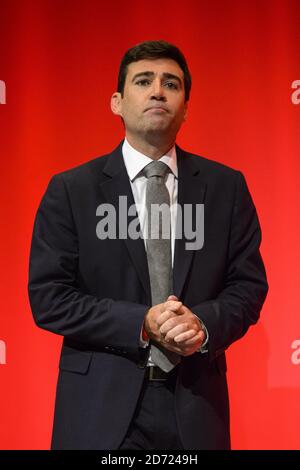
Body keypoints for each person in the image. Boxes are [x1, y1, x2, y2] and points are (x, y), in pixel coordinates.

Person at [28, 40, 268, 450]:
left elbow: (248, 287)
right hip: (98, 410)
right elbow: (49, 297)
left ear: (186, 107)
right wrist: (141, 323)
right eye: (144, 81)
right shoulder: (72, 190)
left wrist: (201, 324)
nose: (158, 90)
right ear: (117, 103)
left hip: (195, 406)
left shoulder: (227, 187)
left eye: (171, 84)